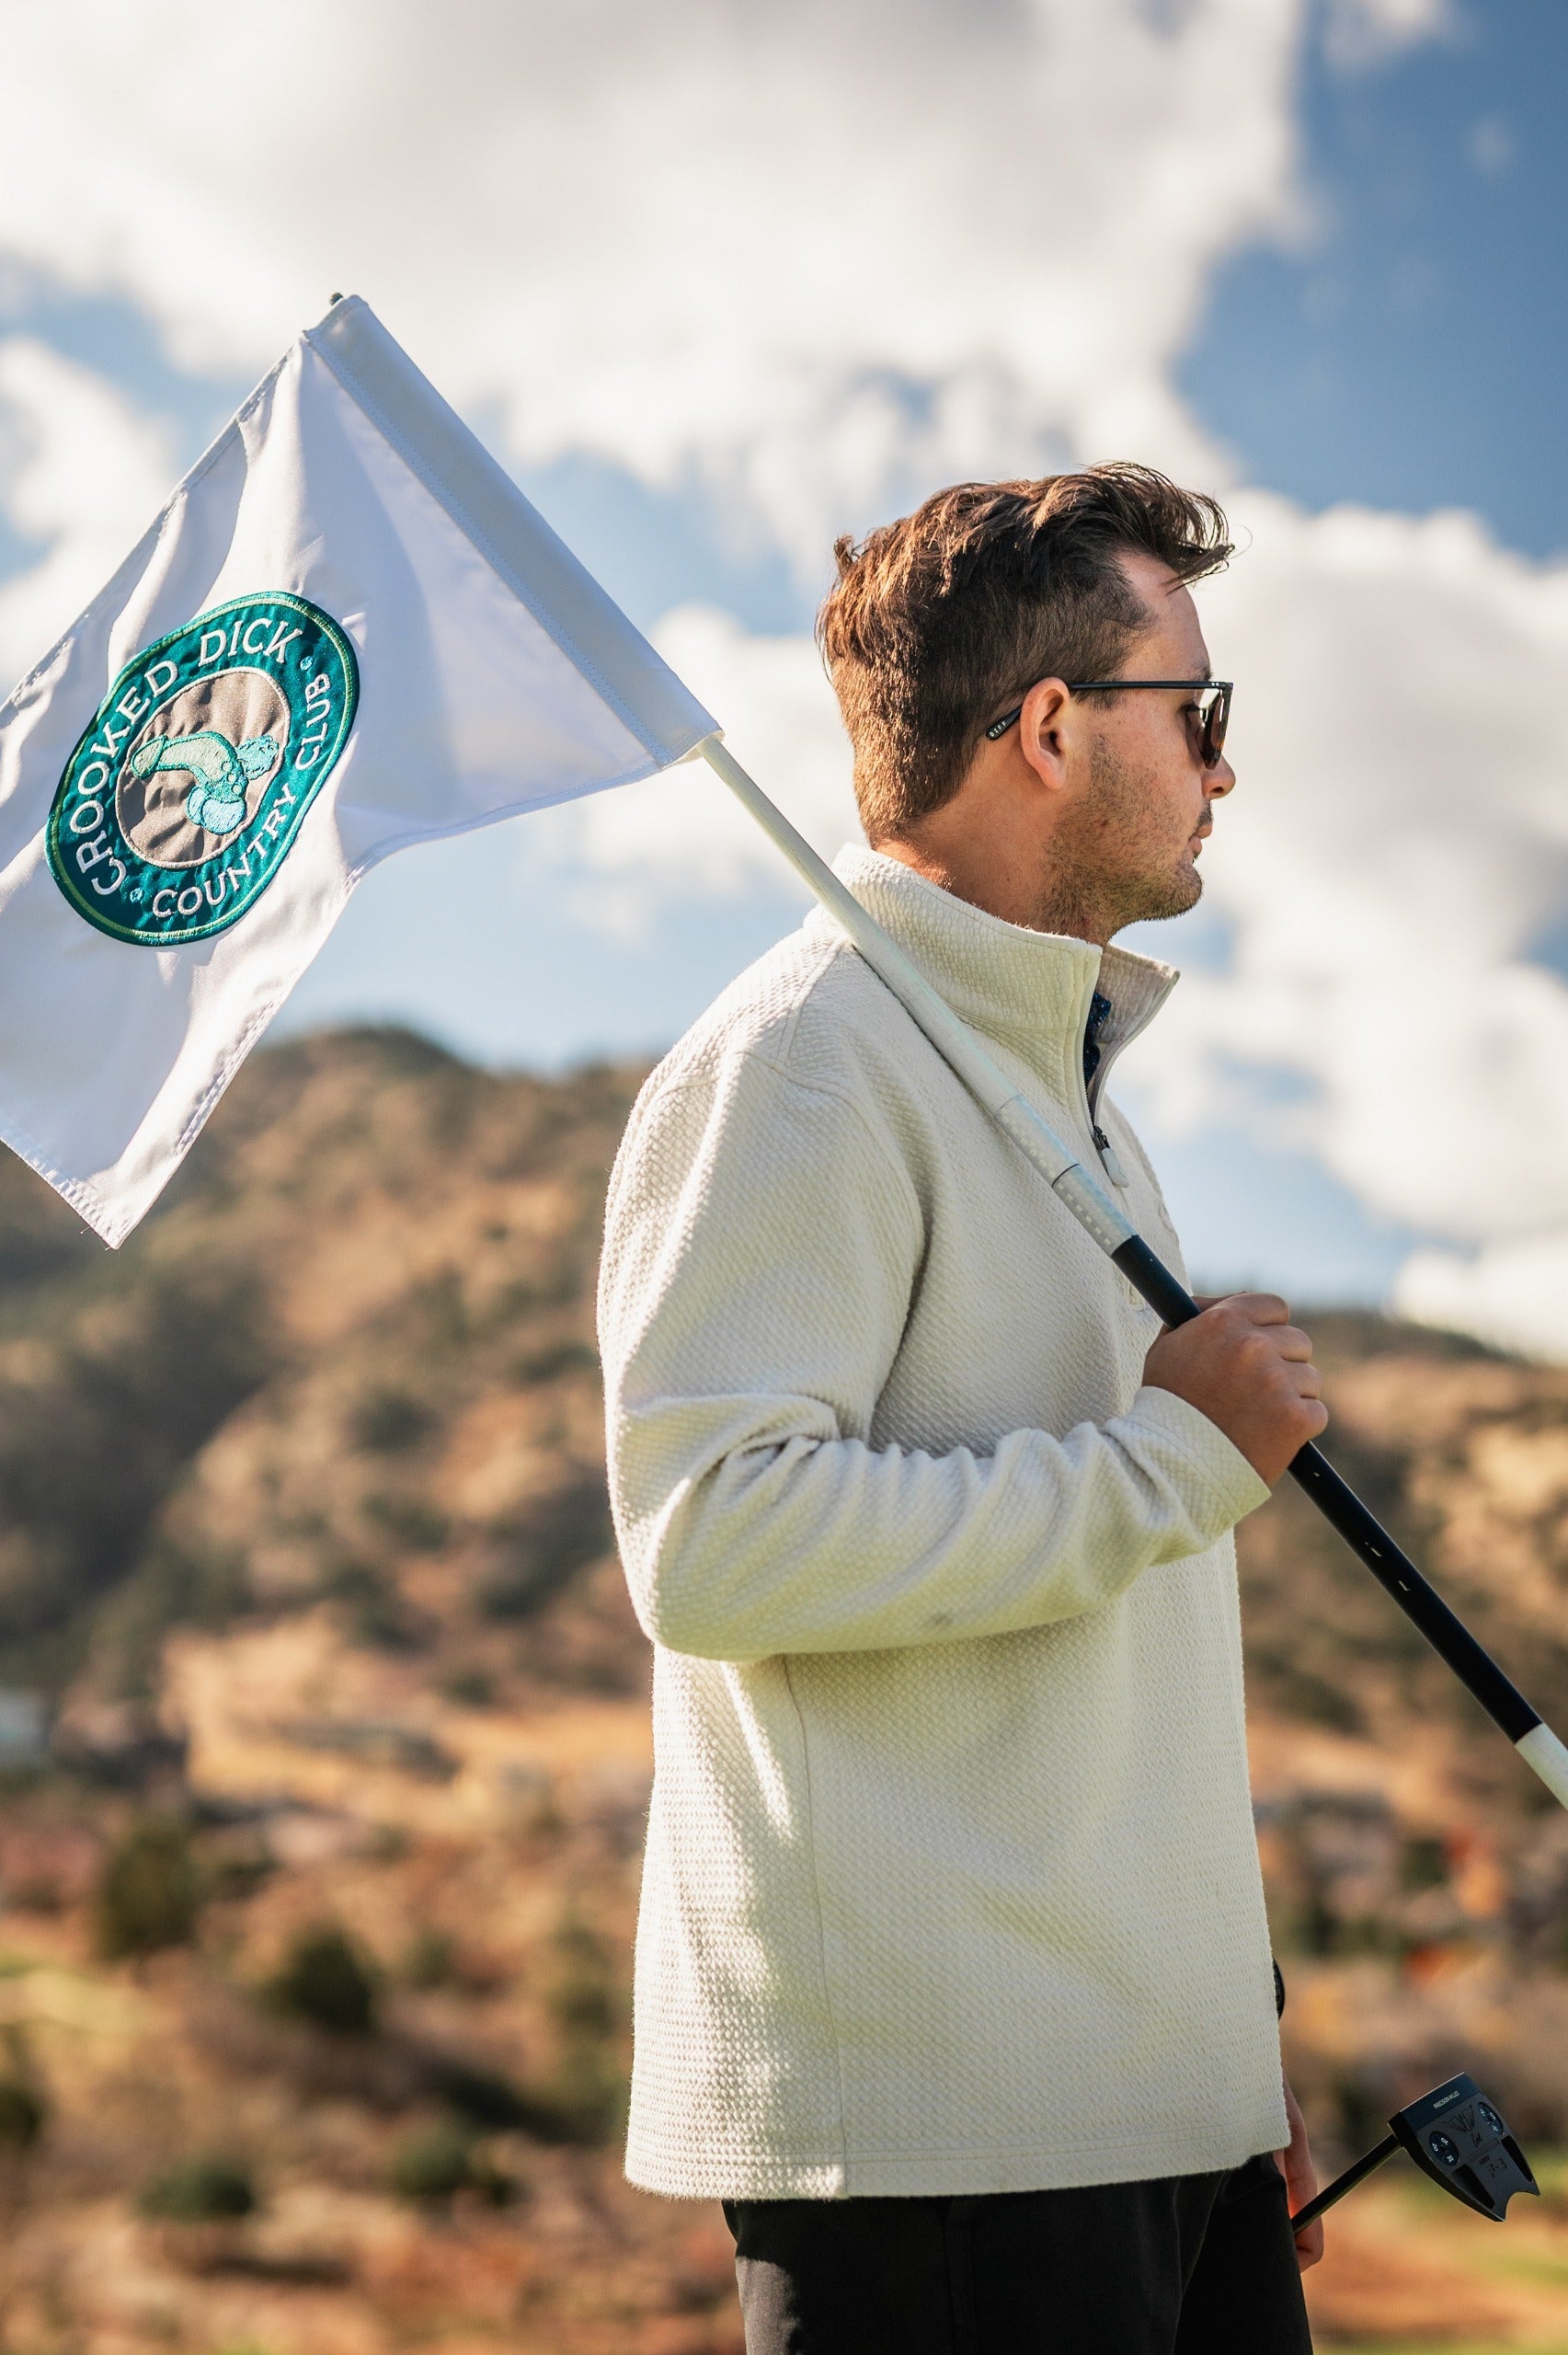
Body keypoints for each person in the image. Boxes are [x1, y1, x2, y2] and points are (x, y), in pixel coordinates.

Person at [597, 465, 1329, 2353]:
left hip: (1150, 2109)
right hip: (945, 2157)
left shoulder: (1078, 1093)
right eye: (1204, 713)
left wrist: (1217, 2050)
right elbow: (713, 1538)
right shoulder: (804, 1060)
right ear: (1051, 726)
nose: (1223, 768)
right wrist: (1172, 1460)